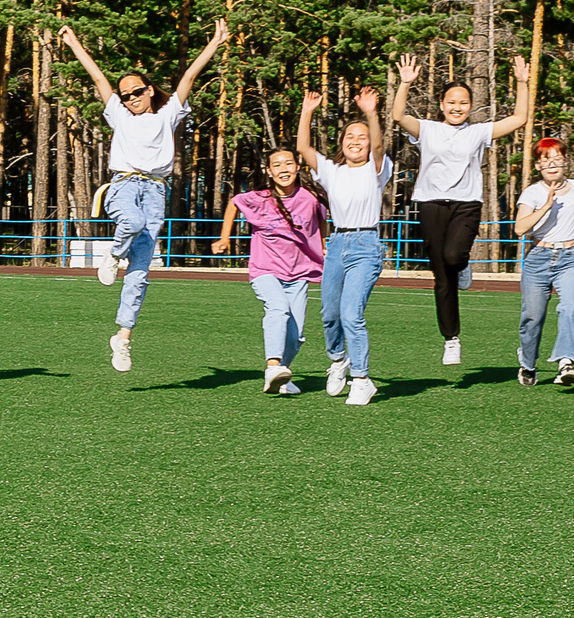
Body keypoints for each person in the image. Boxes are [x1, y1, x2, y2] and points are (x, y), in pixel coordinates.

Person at [60, 19, 230, 373]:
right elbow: (98, 78)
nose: (131, 98)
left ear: (150, 90)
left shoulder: (168, 115)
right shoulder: (120, 117)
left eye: (136, 91)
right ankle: (112, 256)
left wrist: (214, 44)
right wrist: (74, 44)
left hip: (155, 191)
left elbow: (189, 76)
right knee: (132, 222)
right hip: (123, 185)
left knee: (139, 272)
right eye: (125, 95)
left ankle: (123, 337)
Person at [392, 51, 533, 369]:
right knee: (442, 277)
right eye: (451, 102)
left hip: (466, 205)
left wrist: (522, 83)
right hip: (430, 203)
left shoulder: (477, 132)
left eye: (463, 103)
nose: (457, 107)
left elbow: (519, 119)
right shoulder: (428, 129)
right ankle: (451, 338)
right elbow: (399, 116)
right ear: (442, 105)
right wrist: (405, 83)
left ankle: (462, 264)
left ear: (471, 106)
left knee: (454, 257)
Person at [298, 85, 391, 407]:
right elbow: (303, 147)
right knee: (330, 314)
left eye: (361, 136)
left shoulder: (377, 169)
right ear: (341, 142)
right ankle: (338, 360)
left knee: (352, 314)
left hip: (366, 244)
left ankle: (362, 380)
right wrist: (307, 111)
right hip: (337, 244)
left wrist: (370, 113)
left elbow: (378, 145)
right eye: (350, 136)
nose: (355, 140)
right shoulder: (331, 171)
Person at [210, 145, 325, 396]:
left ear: (297, 167)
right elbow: (234, 203)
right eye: (277, 165)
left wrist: (323, 246)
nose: (284, 169)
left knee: (296, 336)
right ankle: (272, 367)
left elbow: (320, 221)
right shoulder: (259, 198)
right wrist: (224, 238)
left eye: (288, 163)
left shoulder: (309, 198)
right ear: (269, 171)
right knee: (278, 309)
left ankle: (282, 375)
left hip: (298, 274)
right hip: (265, 269)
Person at [514, 137, 574, 388]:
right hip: (538, 259)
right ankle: (528, 363)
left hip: (568, 258)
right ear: (538, 165)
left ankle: (566, 362)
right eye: (546, 160)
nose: (552, 164)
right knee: (532, 318)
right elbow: (519, 228)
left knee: (572, 307)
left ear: (566, 162)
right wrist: (546, 206)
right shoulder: (532, 193)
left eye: (558, 158)